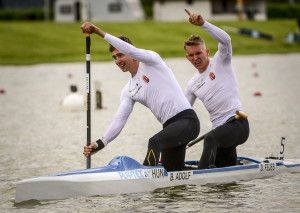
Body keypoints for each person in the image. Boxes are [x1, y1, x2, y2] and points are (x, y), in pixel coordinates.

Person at [81, 22, 200, 171]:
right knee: (173, 171)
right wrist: (100, 143)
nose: (117, 61)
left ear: (130, 53)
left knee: (154, 141)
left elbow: (130, 49)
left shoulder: (151, 61)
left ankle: (145, 177)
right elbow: (119, 120)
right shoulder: (128, 90)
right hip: (170, 128)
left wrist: (98, 32)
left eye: (120, 55)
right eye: (114, 57)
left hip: (187, 121)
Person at [183, 9, 249, 169]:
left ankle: (201, 175)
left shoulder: (221, 61)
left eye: (198, 53)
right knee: (225, 175)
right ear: (187, 57)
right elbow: (182, 111)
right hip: (221, 132)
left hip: (237, 124)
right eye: (191, 55)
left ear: (207, 52)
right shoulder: (192, 84)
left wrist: (203, 24)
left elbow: (226, 40)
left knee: (210, 139)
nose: (195, 58)